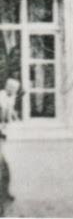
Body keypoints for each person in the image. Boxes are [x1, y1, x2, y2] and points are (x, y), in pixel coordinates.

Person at [0, 78, 19, 215]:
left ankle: (5, 193)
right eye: (11, 88)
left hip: (2, 133)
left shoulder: (11, 98)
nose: (13, 91)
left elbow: (8, 114)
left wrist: (13, 118)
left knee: (5, 168)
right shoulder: (1, 97)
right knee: (2, 168)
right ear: (7, 86)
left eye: (15, 89)